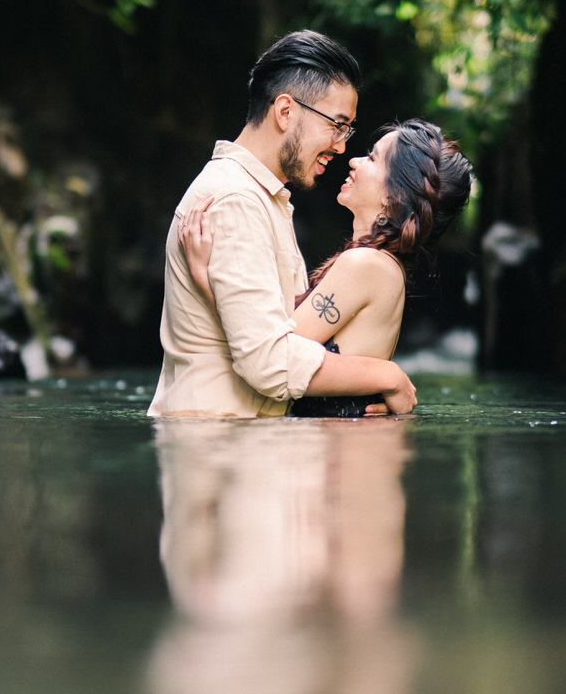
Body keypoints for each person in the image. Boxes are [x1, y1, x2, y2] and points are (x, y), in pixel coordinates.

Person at [147, 30, 417, 418]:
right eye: (336, 125)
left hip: (236, 445)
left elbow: (266, 332)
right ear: (285, 111)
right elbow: (269, 362)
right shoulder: (237, 201)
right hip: (218, 447)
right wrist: (387, 376)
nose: (342, 147)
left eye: (348, 131)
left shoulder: (263, 197)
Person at [180, 118, 473, 417]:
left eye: (372, 158)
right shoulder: (380, 264)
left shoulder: (365, 264)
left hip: (339, 455)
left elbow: (270, 355)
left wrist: (207, 280)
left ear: (392, 196)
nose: (355, 161)